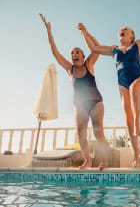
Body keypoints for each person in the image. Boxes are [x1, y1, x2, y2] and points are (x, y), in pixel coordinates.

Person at [77, 2, 140, 167]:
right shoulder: (114, 49)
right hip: (122, 84)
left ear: (132, 36)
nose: (122, 30)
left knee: (135, 90)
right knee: (127, 118)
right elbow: (94, 48)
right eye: (121, 30)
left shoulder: (138, 45)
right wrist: (85, 33)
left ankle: (138, 123)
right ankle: (137, 154)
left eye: (126, 29)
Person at [39, 13, 109, 170]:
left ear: (83, 56)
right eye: (72, 53)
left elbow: (97, 47)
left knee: (98, 130)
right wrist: (48, 30)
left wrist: (85, 32)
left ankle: (104, 161)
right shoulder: (69, 69)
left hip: (95, 101)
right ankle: (88, 161)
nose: (74, 54)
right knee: (80, 131)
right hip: (80, 103)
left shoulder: (89, 64)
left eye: (77, 52)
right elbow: (54, 51)